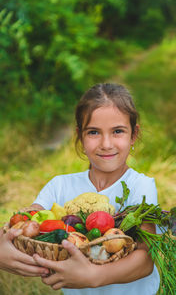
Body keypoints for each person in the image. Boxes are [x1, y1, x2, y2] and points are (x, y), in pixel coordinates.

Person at [0, 83, 160, 294]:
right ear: (80, 137)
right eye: (94, 132)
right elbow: (26, 220)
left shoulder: (141, 186)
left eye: (117, 131)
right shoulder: (60, 185)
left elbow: (145, 260)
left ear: (133, 135)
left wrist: (94, 277)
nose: (106, 143)